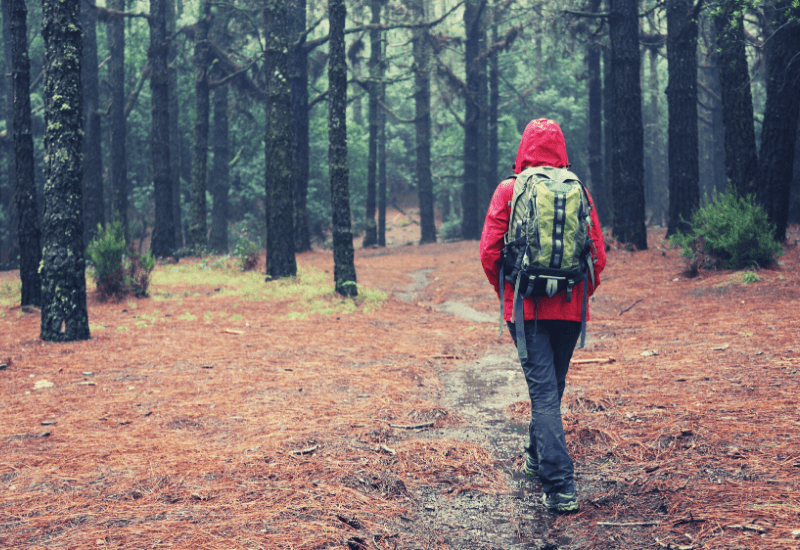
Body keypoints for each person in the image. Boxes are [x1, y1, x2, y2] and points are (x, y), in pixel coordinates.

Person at [479, 118, 606, 513]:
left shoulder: (509, 189)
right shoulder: (578, 189)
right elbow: (597, 257)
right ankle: (537, 456)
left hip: (527, 310)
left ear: (524, 148)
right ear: (561, 148)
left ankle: (560, 486)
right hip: (570, 309)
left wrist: (510, 293)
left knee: (544, 395)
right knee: (552, 390)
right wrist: (578, 295)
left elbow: (489, 252)